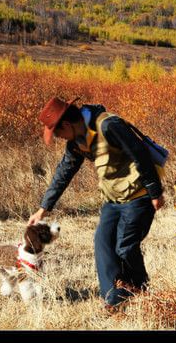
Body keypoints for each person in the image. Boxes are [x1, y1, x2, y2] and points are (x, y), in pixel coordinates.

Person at [28, 97, 166, 311]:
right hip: (113, 200)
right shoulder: (76, 142)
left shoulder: (109, 125)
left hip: (139, 196)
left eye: (58, 133)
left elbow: (139, 155)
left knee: (125, 247)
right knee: (103, 244)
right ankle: (113, 299)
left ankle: (142, 294)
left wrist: (155, 192)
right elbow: (64, 173)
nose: (60, 138)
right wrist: (43, 209)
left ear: (66, 125)